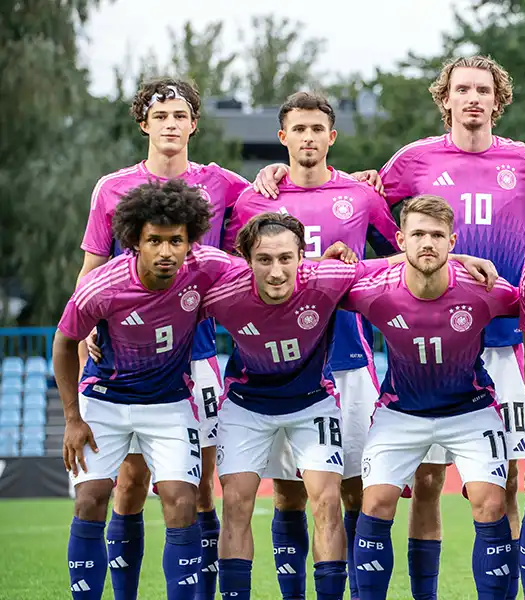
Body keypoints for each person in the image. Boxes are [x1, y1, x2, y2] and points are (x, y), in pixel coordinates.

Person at [253, 55, 525, 600]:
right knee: (429, 482)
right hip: (430, 336)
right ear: (446, 99)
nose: (473, 98)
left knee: (511, 480)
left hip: (507, 338)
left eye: (483, 89)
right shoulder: (412, 161)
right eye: (463, 89)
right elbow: (365, 203)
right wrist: (278, 171)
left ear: (498, 100)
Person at [204, 212, 495, 600]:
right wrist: (97, 338)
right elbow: (173, 306)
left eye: (286, 259)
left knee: (327, 499)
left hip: (312, 404)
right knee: (236, 501)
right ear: (246, 259)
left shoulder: (326, 278)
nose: (276, 272)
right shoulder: (222, 294)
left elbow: (400, 261)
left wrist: (457, 260)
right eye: (264, 260)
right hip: (246, 405)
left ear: (302, 258)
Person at [222, 91, 400, 600]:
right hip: (277, 366)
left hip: (347, 360)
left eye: (316, 129)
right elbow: (229, 269)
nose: (307, 138)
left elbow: (400, 257)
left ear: (331, 137)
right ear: (283, 137)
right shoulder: (256, 199)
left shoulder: (361, 196)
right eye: (297, 129)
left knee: (354, 488)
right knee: (288, 492)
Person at [79, 76, 248, 600]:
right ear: (144, 124)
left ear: (194, 124)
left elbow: (272, 219)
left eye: (180, 116)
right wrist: (85, 326)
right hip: (125, 358)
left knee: (198, 484)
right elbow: (93, 268)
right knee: (128, 484)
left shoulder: (223, 183)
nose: (171, 125)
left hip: (196, 356)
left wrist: (275, 172)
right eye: (161, 117)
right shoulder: (112, 187)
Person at [55, 179, 236, 600]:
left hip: (170, 403)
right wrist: (72, 419)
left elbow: (268, 271)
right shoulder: (102, 286)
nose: (166, 251)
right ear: (135, 240)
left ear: (191, 240)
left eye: (176, 240)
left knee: (182, 500)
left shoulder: (209, 266)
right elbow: (64, 343)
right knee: (91, 499)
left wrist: (322, 261)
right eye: (154, 240)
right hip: (105, 400)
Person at [342, 196, 521, 600]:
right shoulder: (375, 291)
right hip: (400, 411)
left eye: (438, 235)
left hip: (470, 409)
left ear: (452, 241)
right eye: (418, 234)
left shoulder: (484, 289)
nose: (428, 242)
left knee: (491, 504)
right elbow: (317, 281)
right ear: (400, 239)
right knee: (376, 503)